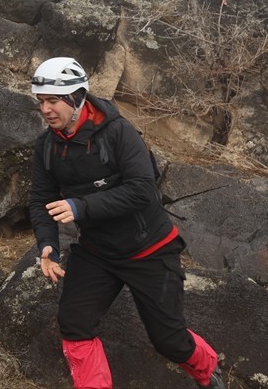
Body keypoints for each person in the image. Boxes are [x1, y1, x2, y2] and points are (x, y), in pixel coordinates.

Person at [28, 57, 226, 389]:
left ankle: (207, 370)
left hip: (150, 249)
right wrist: (47, 244)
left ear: (77, 97)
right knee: (74, 323)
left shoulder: (118, 132)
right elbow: (40, 199)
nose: (46, 109)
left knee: (168, 340)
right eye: (41, 102)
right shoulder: (47, 147)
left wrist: (81, 206)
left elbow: (142, 191)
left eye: (53, 100)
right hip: (97, 252)